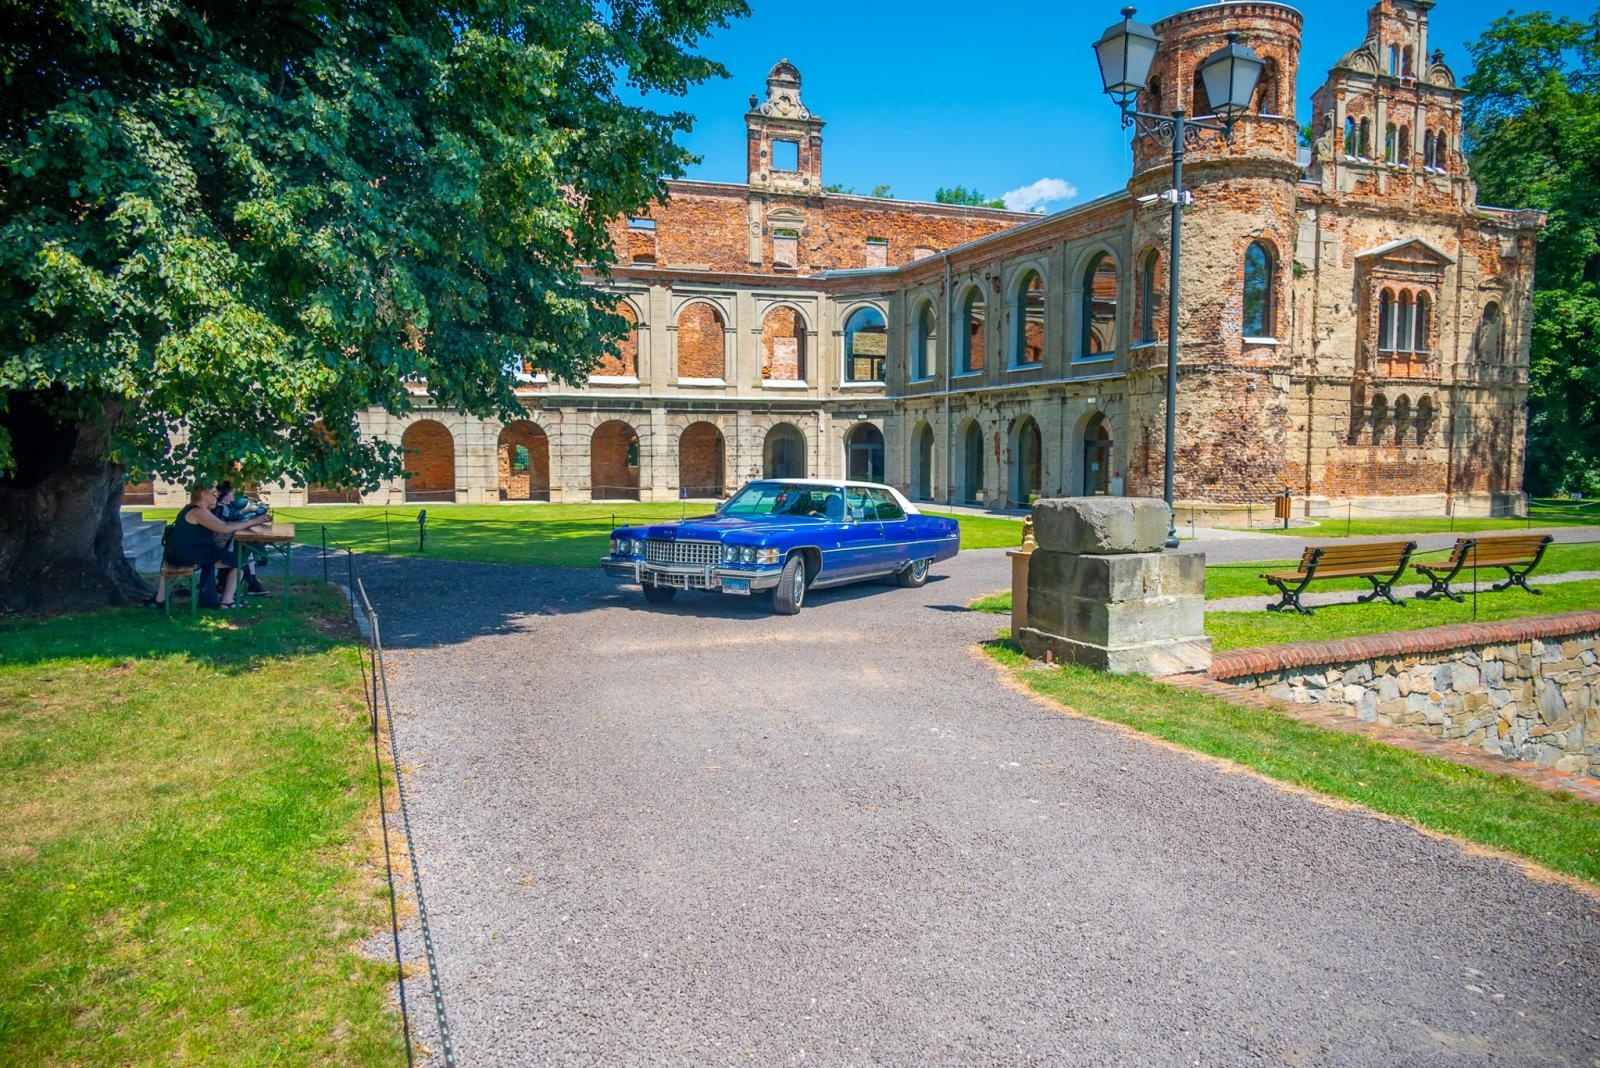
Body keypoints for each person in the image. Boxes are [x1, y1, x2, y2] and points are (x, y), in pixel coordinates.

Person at [155, 484, 272, 608]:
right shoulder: (198, 511)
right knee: (240, 562)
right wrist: (254, 521)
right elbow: (224, 527)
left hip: (184, 553)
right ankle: (227, 600)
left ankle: (215, 597)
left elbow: (218, 528)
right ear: (203, 494)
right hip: (189, 555)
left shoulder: (193, 509)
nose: (217, 495)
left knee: (227, 557)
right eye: (213, 493)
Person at [213, 481, 270, 595]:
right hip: (218, 547)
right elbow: (239, 520)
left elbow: (240, 518)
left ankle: (250, 584)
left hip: (222, 544)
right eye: (231, 492)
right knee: (244, 551)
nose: (234, 494)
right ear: (225, 493)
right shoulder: (222, 508)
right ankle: (248, 585)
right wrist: (257, 518)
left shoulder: (224, 507)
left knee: (245, 549)